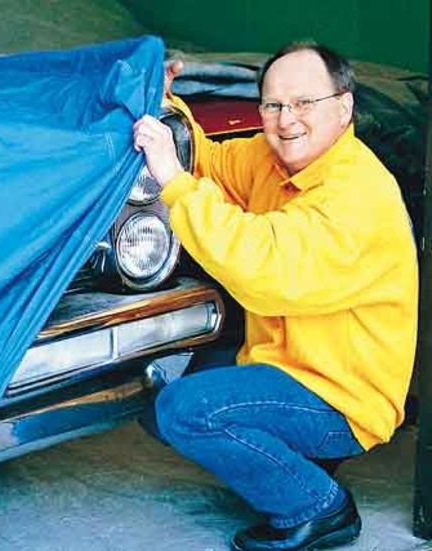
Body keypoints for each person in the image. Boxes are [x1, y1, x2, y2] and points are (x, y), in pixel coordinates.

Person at [132, 41, 418, 551]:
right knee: (159, 410)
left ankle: (318, 508)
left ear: (344, 106)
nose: (287, 120)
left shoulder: (356, 195)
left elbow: (262, 268)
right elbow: (210, 163)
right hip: (290, 368)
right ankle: (297, 461)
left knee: (187, 411)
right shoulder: (272, 159)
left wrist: (172, 183)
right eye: (274, 105)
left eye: (305, 103)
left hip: (342, 399)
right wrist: (166, 105)